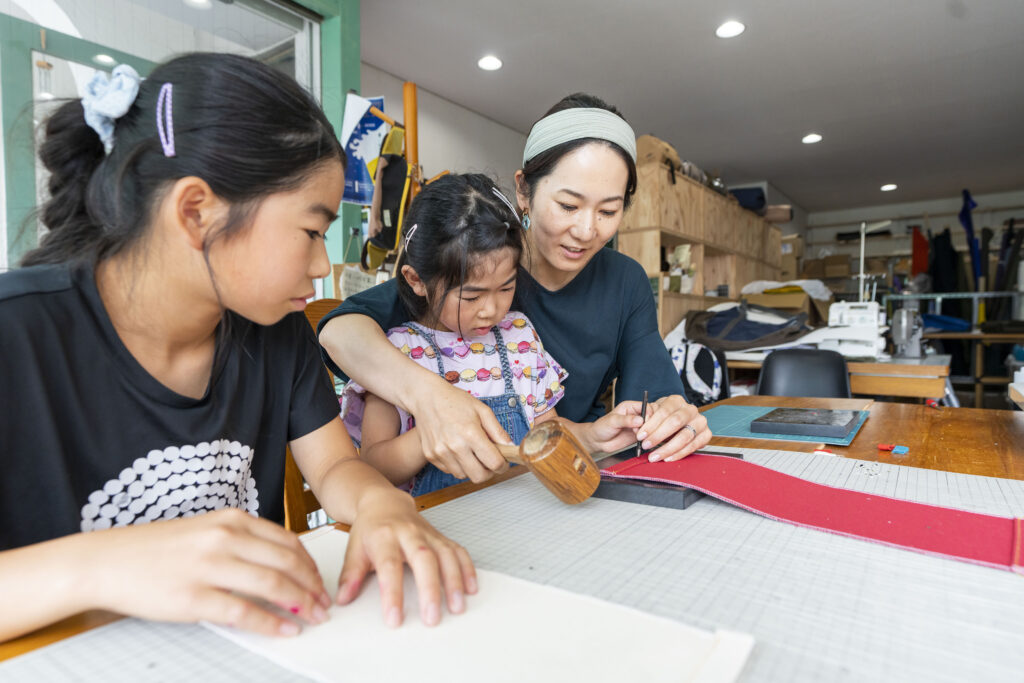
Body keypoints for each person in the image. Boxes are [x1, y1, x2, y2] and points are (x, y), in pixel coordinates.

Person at [0, 53, 475, 644]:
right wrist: (102, 564)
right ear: (196, 211)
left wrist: (380, 505)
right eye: (310, 232)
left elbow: (332, 467)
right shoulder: (17, 335)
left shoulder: (276, 332)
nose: (323, 264)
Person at [318, 94, 712, 483]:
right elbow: (339, 332)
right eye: (569, 206)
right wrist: (433, 398)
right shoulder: (473, 266)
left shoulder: (625, 281)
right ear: (524, 190)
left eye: (608, 211)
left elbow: (653, 399)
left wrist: (671, 416)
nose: (588, 231)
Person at [345, 173, 643, 496]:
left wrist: (594, 434)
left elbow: (547, 431)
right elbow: (374, 465)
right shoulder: (397, 353)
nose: (491, 309)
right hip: (440, 522)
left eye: (506, 287)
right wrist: (431, 432)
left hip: (523, 511)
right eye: (471, 296)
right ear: (417, 280)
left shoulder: (519, 336)